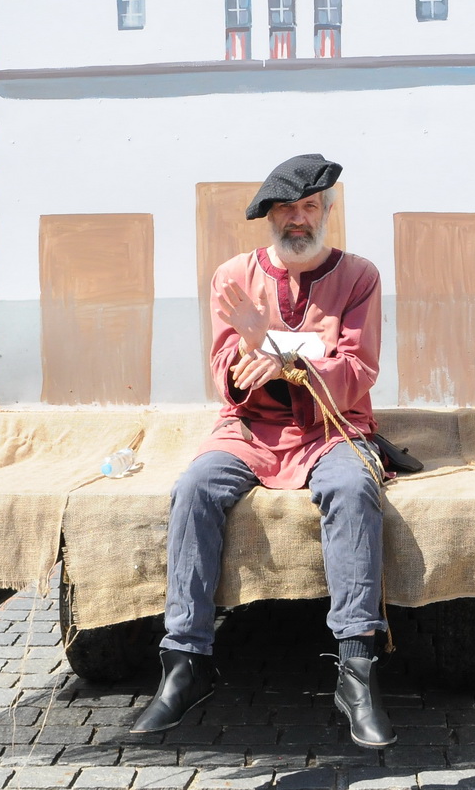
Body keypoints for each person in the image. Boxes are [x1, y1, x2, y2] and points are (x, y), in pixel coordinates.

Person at [130, 154, 393, 748]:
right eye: (286, 209)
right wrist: (253, 361)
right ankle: (185, 663)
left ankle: (356, 669)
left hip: (332, 426)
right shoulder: (234, 276)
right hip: (250, 428)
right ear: (270, 216)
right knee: (195, 488)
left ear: (326, 211)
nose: (298, 219)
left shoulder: (359, 276)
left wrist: (283, 357)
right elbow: (224, 366)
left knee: (353, 487)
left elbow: (357, 368)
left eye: (309, 207)